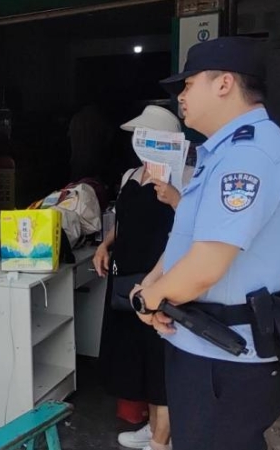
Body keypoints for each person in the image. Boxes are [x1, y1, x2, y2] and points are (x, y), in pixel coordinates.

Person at [131, 37, 280, 450]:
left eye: (188, 85)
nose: (181, 97)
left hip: (224, 358)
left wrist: (148, 299)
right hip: (201, 346)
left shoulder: (249, 154)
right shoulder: (223, 153)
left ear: (224, 84)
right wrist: (151, 285)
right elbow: (187, 240)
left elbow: (206, 266)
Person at [94, 105, 190, 450]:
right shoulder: (130, 175)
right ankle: (152, 430)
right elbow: (123, 221)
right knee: (138, 359)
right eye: (138, 136)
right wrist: (105, 245)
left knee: (161, 359)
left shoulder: (187, 175)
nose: (139, 142)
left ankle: (162, 441)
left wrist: (176, 199)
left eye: (146, 136)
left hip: (161, 280)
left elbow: (197, 227)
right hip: (126, 280)